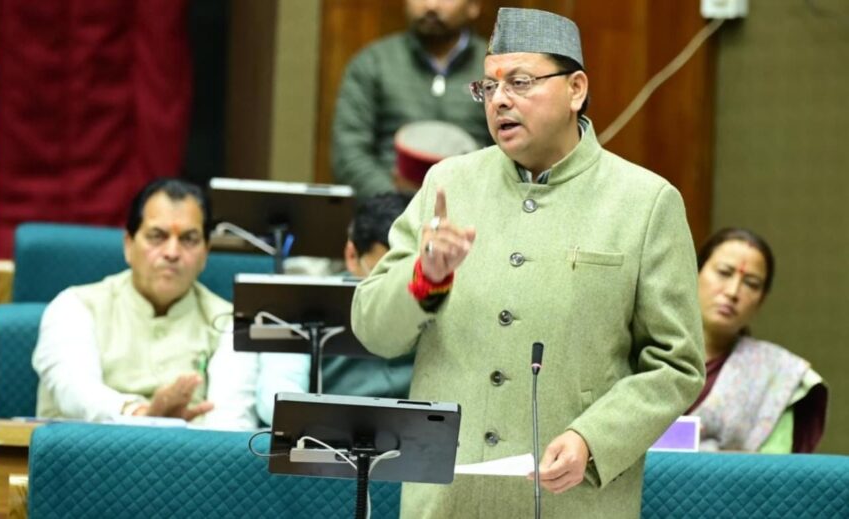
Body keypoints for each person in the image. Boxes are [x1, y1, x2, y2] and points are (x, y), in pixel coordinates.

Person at [350, 8, 705, 518]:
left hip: (571, 500)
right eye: (488, 87)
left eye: (519, 82)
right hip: (448, 500)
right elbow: (374, 332)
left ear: (576, 89)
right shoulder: (447, 185)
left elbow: (676, 364)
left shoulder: (644, 202)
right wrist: (426, 279)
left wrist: (593, 439)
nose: (500, 100)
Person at [33, 178, 258, 430]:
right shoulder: (75, 306)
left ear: (205, 253)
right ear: (128, 245)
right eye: (157, 236)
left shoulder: (230, 322)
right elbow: (75, 392)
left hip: (192, 453)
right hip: (86, 451)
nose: (172, 252)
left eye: (189, 239)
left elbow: (232, 423)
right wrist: (140, 414)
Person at [256, 193, 413, 426]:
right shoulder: (305, 300)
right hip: (326, 433)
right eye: (383, 272)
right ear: (352, 256)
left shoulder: (433, 299)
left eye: (406, 273)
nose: (394, 289)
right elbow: (279, 392)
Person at [331, 0, 493, 198]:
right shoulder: (373, 63)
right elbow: (349, 153)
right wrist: (393, 203)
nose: (431, 5)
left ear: (473, 6)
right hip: (387, 205)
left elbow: (511, 153)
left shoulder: (494, 69)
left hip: (473, 203)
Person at [688, 227, 828, 453]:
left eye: (751, 283)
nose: (733, 292)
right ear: (693, 274)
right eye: (724, 272)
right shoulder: (644, 349)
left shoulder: (779, 374)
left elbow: (776, 467)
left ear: (761, 300)